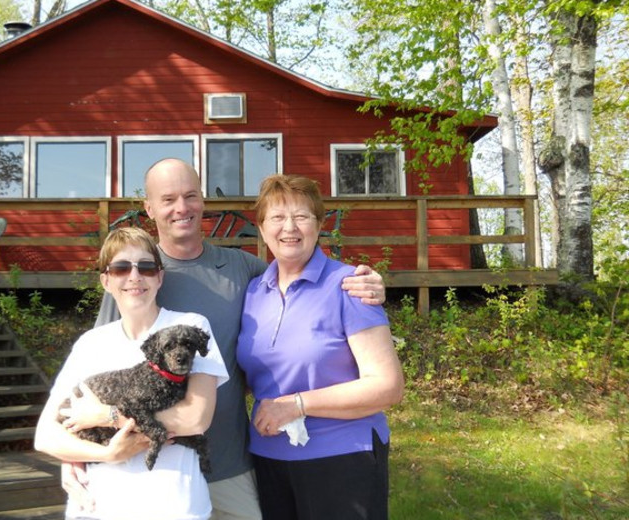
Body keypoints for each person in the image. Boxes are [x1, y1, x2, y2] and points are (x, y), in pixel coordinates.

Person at [64, 158, 387, 520]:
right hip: (156, 464)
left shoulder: (244, 270)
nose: (181, 208)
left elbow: (298, 285)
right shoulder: (137, 276)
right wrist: (75, 452)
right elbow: (93, 377)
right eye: (168, 199)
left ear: (203, 200)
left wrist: (367, 283)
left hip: (235, 463)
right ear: (149, 208)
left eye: (190, 196)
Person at [236, 174, 405, 520]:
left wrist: (298, 405)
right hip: (270, 458)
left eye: (301, 217)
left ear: (319, 224)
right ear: (262, 227)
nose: (290, 228)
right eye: (278, 218)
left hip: (342, 455)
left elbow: (388, 386)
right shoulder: (254, 292)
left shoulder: (350, 286)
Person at [35, 227, 229, 520]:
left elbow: (196, 418)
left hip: (173, 507)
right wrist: (107, 454)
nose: (135, 276)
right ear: (106, 280)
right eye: (121, 267)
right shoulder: (90, 344)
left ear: (160, 277)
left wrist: (106, 416)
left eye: (147, 267)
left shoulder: (189, 327)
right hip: (97, 508)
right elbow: (46, 436)